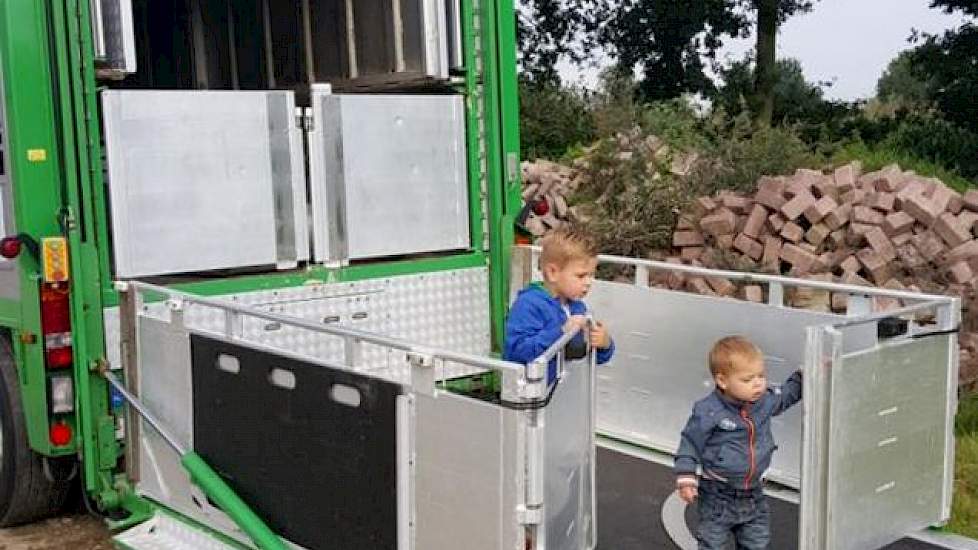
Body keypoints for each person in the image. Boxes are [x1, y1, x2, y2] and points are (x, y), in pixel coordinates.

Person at [675, 335, 803, 549]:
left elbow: (787, 395)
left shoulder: (763, 402)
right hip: (718, 495)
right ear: (722, 381)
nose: (757, 384)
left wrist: (803, 376)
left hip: (754, 494)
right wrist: (686, 477)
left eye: (761, 376)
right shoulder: (709, 410)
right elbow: (690, 442)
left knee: (757, 544)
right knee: (712, 543)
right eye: (747, 379)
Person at [504, 227, 614, 382]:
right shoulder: (528, 305)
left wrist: (604, 344)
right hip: (534, 398)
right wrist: (561, 332)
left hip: (566, 397)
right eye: (581, 276)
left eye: (592, 275)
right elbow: (518, 352)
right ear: (553, 273)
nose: (589, 282)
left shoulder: (577, 306)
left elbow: (592, 357)